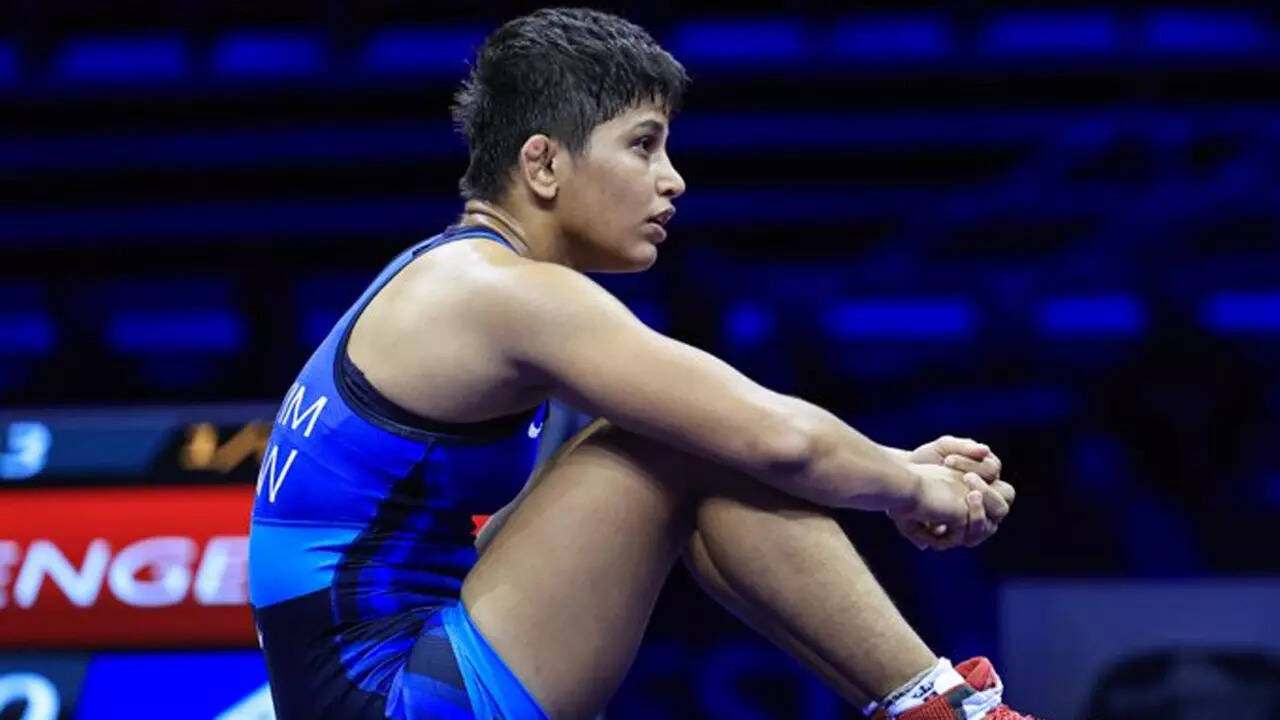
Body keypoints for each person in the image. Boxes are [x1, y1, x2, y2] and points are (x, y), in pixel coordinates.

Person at [248, 8, 1038, 720]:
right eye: (642, 144)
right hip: (390, 699)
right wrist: (912, 487)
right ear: (543, 165)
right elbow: (778, 439)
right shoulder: (500, 293)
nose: (672, 178)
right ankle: (948, 712)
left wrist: (895, 463)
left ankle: (928, 706)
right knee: (673, 439)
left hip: (395, 667)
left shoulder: (453, 274)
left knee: (684, 437)